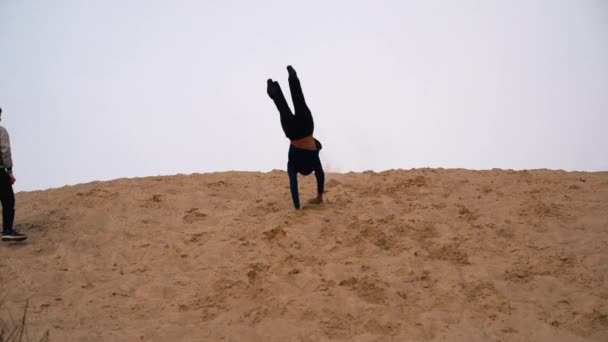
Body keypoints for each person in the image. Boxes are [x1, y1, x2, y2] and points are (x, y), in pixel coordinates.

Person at [267, 65, 325, 209]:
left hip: (307, 130)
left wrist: (319, 196)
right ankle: (275, 91)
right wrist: (297, 206)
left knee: (299, 100)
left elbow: (320, 175)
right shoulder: (292, 164)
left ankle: (293, 78)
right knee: (283, 108)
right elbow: (293, 184)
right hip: (293, 134)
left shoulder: (314, 160)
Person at [0, 107, 26, 241]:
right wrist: (9, 171)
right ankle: (7, 230)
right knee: (8, 200)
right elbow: (5, 151)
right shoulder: (1, 131)